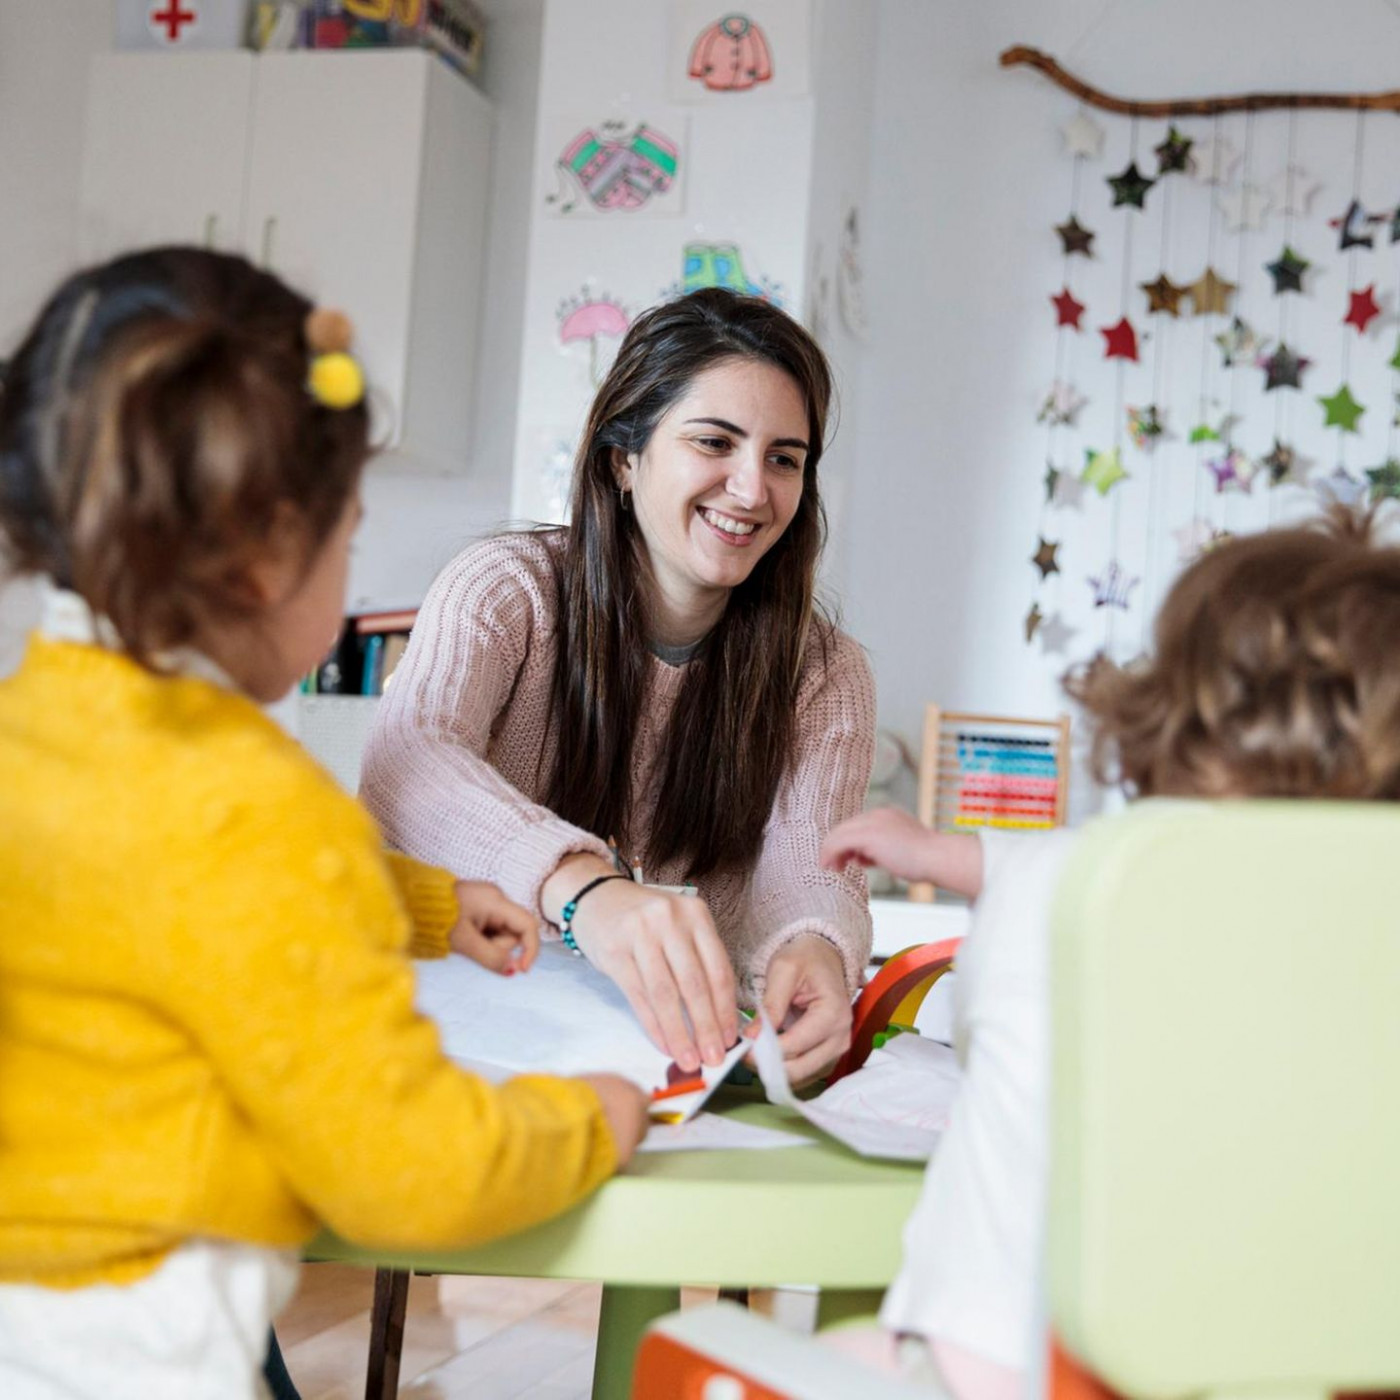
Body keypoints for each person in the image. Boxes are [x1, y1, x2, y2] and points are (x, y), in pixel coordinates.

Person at [0, 246, 647, 1399]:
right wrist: (584, 1120)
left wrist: (426, 906)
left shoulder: (34, 730)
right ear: (263, 555)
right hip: (136, 1350)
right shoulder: (256, 803)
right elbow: (404, 1164)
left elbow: (153, 891)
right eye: (348, 534)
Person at [820, 511, 1400, 1399]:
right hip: (1312, 1367)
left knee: (845, 1360)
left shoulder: (1083, 885)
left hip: (1018, 1368)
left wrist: (965, 867)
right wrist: (961, 857)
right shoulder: (1365, 918)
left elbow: (1039, 904)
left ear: (1176, 701)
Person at [362, 288, 876, 1085]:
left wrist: (813, 944)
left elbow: (810, 873)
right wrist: (583, 891)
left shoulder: (825, 673)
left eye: (784, 458)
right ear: (623, 460)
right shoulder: (507, 590)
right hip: (454, 1043)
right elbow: (409, 760)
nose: (751, 489)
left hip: (665, 1068)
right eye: (715, 442)